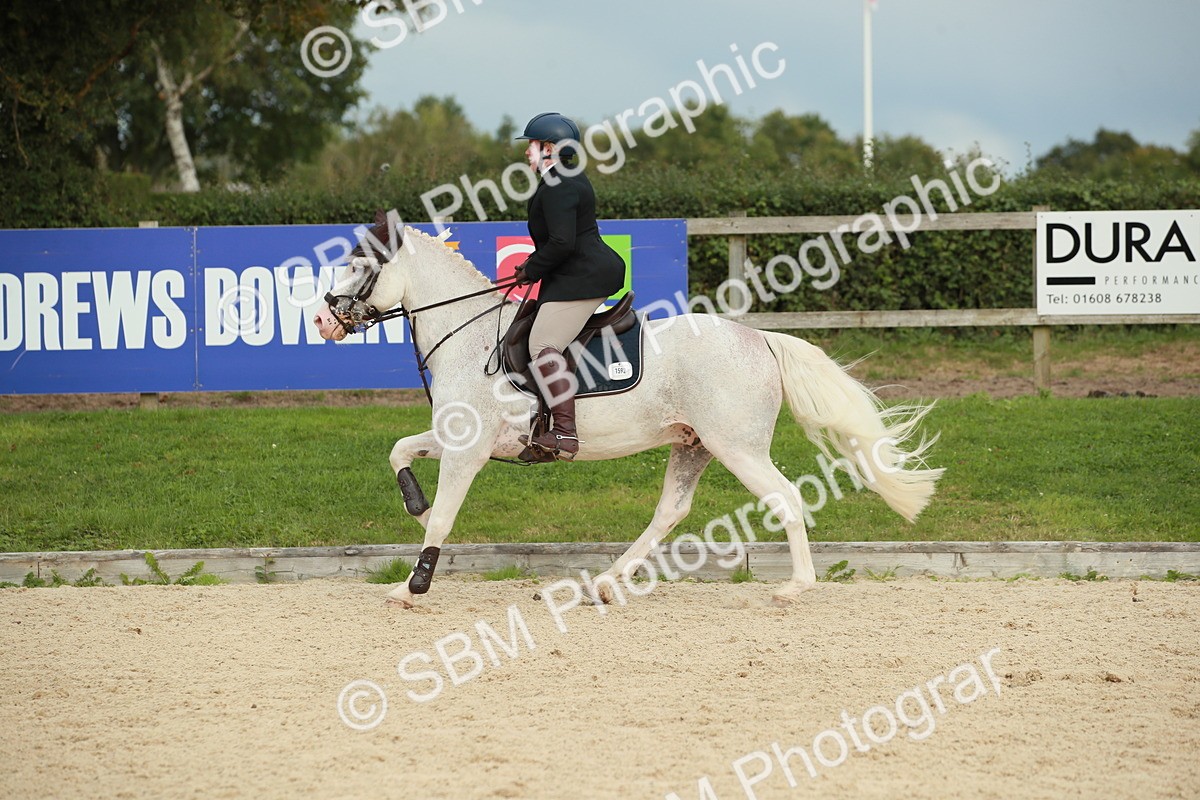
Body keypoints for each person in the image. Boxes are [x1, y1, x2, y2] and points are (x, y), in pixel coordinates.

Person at [512, 112, 625, 461]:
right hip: (573, 274)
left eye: (531, 145)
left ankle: (564, 433)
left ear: (549, 148)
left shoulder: (560, 185)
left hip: (584, 276)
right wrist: (533, 266)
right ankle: (543, 425)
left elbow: (562, 243)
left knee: (543, 343)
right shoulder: (562, 178)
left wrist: (532, 266)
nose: (527, 153)